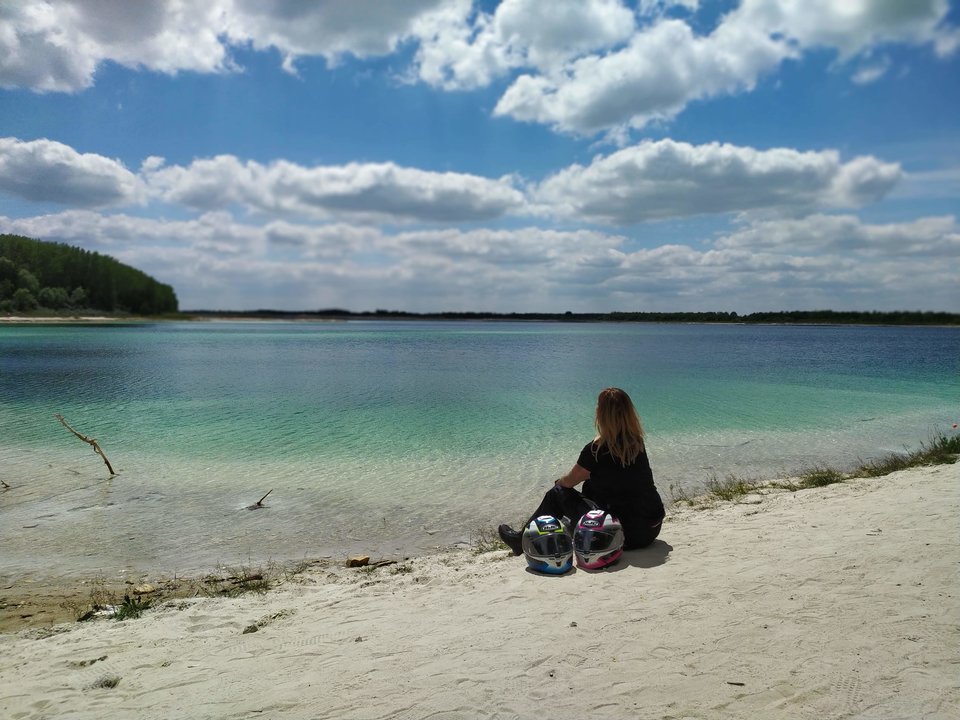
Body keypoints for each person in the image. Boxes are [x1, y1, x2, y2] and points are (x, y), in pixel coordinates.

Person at [499, 387, 665, 556]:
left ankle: (519, 541)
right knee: (592, 486)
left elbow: (568, 482)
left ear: (601, 414)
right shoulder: (637, 443)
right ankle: (570, 527)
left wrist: (559, 484)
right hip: (650, 530)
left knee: (556, 493)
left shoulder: (596, 450)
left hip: (620, 536)